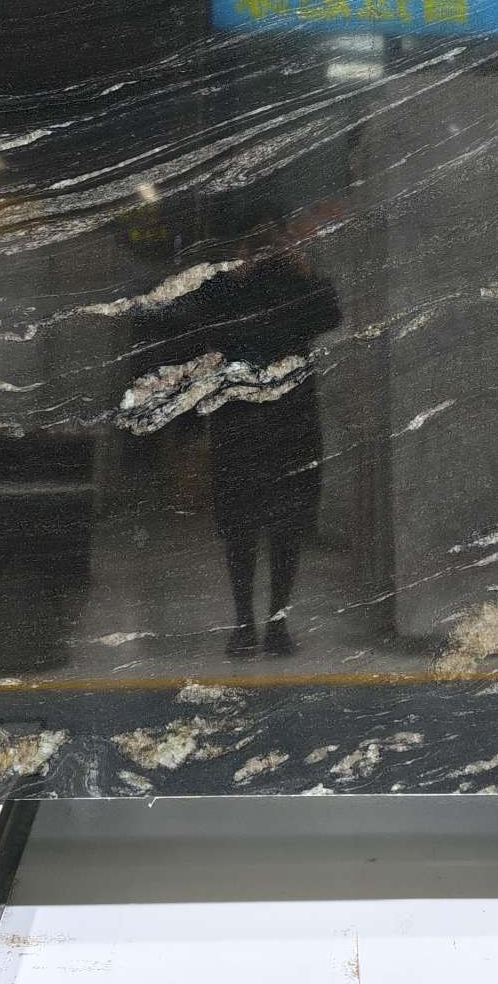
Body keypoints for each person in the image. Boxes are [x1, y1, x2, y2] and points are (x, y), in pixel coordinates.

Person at [179, 201, 341, 658]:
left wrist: (303, 267)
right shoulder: (225, 284)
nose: (267, 246)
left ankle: (277, 623)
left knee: (289, 523)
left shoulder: (295, 280)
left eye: (274, 236)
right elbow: (203, 330)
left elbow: (329, 317)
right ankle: (244, 623)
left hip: (291, 416)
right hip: (239, 417)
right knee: (240, 524)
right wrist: (236, 275)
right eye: (258, 238)